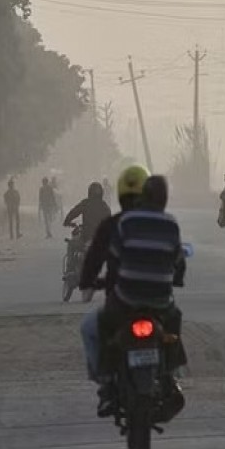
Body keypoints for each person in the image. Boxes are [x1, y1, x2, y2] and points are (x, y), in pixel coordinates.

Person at [79, 167, 187, 418]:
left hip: (126, 299)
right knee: (174, 322)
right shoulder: (170, 223)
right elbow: (179, 261)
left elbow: (112, 257)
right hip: (160, 302)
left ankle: (107, 385)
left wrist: (93, 281)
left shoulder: (124, 223)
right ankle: (170, 376)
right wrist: (176, 278)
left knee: (98, 328)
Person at [62, 182, 112, 277]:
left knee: (71, 244)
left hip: (86, 237)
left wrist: (67, 221)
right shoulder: (104, 206)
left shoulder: (86, 203)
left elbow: (74, 212)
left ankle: (70, 268)